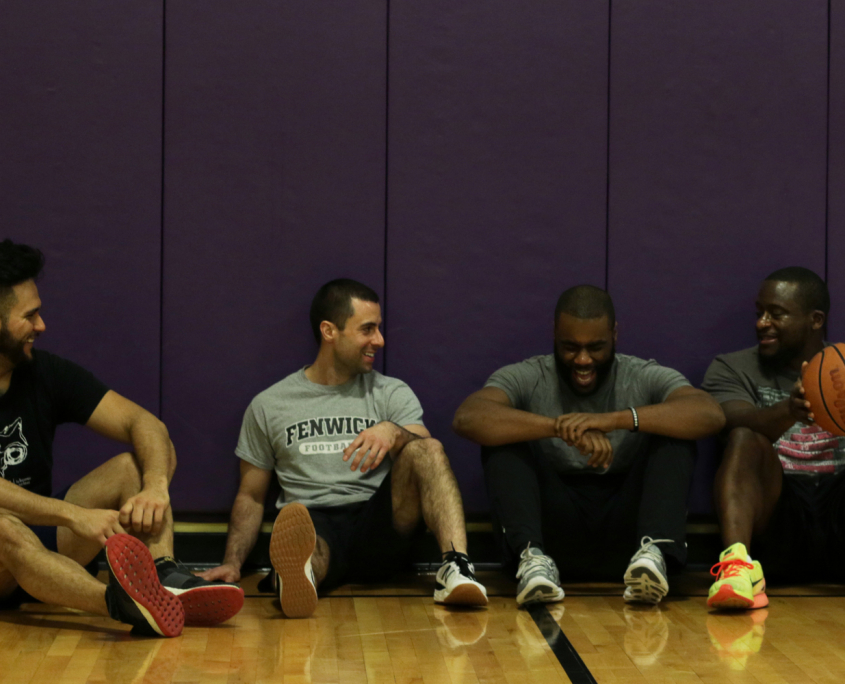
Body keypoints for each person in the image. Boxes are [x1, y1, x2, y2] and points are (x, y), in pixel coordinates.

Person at [200, 278, 487, 617]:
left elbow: (427, 456)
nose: (378, 340)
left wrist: (393, 432)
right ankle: (298, 576)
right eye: (367, 329)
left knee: (428, 448)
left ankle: (457, 567)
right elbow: (251, 496)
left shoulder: (390, 393)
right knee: (307, 544)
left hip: (376, 523)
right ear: (329, 331)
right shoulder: (269, 405)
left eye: (378, 329)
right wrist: (232, 563)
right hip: (314, 522)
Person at [0, 240, 243, 637]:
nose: (41, 326)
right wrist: (74, 515)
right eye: (30, 315)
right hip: (8, 544)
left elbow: (144, 424)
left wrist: (155, 487)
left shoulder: (44, 373)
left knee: (132, 467)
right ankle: (120, 603)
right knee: (4, 527)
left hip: (41, 546)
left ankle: (164, 578)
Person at [453, 285, 725, 606]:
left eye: (596, 347)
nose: (582, 360)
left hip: (629, 536)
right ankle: (531, 560)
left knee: (676, 434)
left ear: (614, 335)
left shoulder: (640, 374)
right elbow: (469, 417)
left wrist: (614, 420)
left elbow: (709, 414)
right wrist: (559, 426)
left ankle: (655, 555)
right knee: (502, 439)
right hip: (553, 533)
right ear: (554, 334)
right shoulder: (528, 375)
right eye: (570, 347)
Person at [702, 266, 842, 610]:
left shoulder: (842, 366)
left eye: (776, 314)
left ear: (815, 319)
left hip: (839, 507)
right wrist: (789, 410)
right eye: (760, 313)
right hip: (779, 517)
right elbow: (728, 419)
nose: (762, 322)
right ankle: (738, 568)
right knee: (744, 437)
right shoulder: (732, 367)